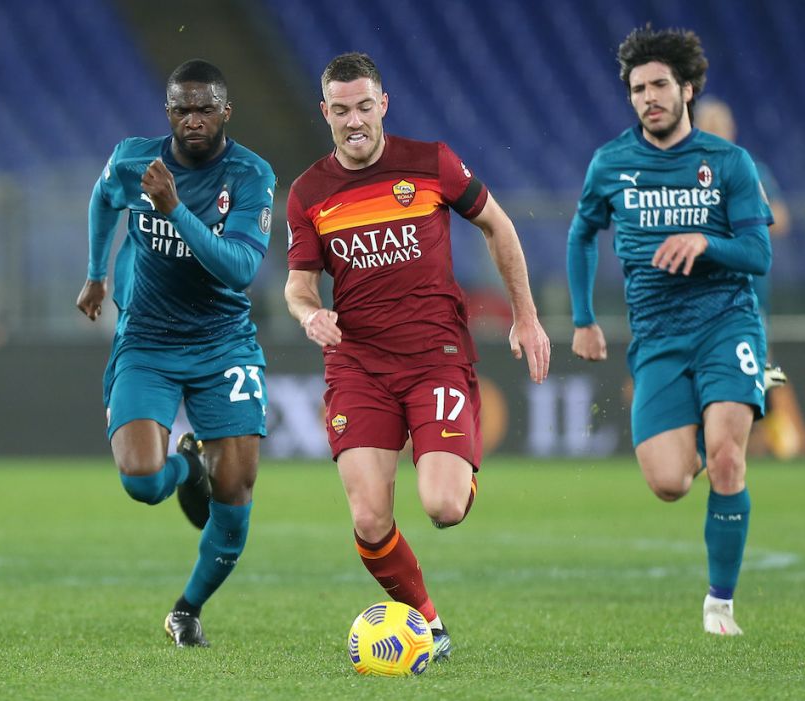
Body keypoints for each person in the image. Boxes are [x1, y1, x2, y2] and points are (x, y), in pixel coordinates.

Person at [284, 52, 550, 660]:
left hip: (436, 358)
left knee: (444, 507)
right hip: (358, 366)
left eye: (364, 106)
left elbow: (499, 227)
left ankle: (458, 465)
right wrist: (310, 313)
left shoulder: (431, 162)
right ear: (325, 112)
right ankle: (429, 624)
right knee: (370, 519)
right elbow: (298, 285)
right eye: (341, 110)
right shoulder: (308, 192)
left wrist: (526, 317)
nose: (355, 120)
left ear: (384, 104)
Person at [567, 26, 775, 636]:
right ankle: (717, 430)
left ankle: (720, 605)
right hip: (655, 336)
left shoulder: (728, 163)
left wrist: (706, 241)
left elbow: (758, 253)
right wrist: (583, 318)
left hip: (724, 321)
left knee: (729, 460)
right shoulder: (611, 164)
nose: (648, 97)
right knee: (668, 483)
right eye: (638, 88)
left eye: (659, 85)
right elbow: (582, 234)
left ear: (686, 89)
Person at [75, 59, 275, 647]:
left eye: (205, 108)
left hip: (223, 343)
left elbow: (239, 268)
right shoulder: (136, 159)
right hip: (149, 340)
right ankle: (187, 468)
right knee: (140, 479)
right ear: (168, 111)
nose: (193, 119)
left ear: (225, 112)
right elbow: (103, 195)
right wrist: (95, 273)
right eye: (182, 108)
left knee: (235, 495)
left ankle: (187, 609)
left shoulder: (249, 174)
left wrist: (174, 210)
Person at [695, 97, 797, 458]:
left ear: (732, 130)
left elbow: (781, 219)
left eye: (719, 125)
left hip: (747, 292)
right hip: (700, 292)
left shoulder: (751, 170)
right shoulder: (686, 173)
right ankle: (708, 437)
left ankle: (777, 420)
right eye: (707, 125)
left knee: (761, 362)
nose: (714, 133)